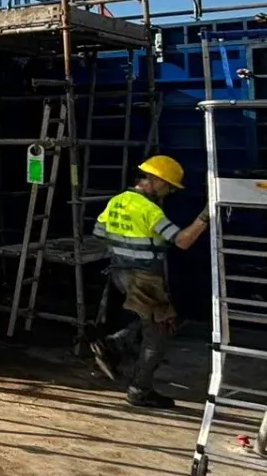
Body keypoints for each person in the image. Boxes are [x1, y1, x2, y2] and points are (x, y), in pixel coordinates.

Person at [87, 154, 209, 409]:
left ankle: (115, 344)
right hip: (145, 279)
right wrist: (206, 216)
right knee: (159, 334)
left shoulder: (118, 201)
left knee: (155, 321)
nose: (170, 192)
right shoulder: (150, 210)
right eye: (169, 187)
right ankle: (139, 389)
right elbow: (182, 241)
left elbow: (99, 232)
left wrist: (125, 246)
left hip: (120, 274)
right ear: (157, 180)